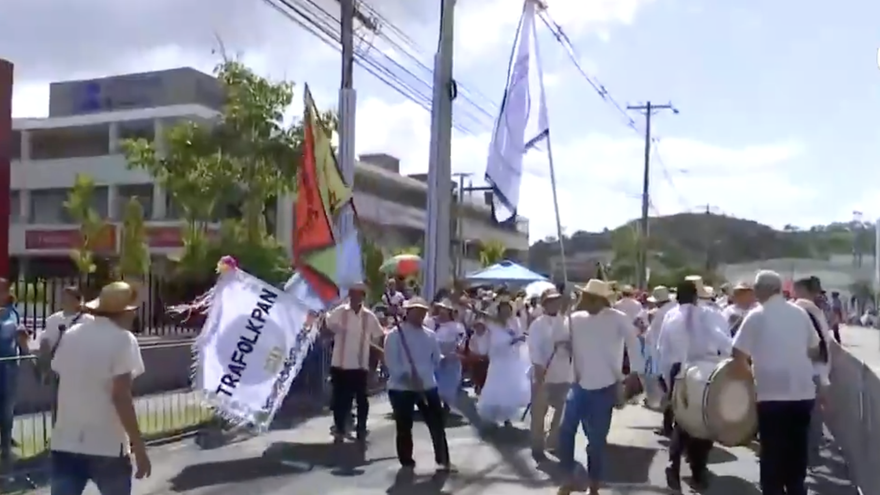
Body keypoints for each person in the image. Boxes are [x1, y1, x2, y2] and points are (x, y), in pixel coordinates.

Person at [49, 281, 149, 495]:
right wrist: (138, 446)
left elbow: (58, 371)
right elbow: (121, 395)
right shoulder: (123, 339)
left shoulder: (71, 334)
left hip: (66, 441)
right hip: (107, 445)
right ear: (125, 312)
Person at [732, 270, 821, 495]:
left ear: (763, 290)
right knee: (796, 455)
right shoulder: (800, 313)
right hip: (802, 394)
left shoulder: (756, 315)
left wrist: (751, 379)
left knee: (772, 456)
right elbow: (815, 347)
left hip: (771, 396)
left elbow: (738, 353)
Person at [558, 279, 644, 495]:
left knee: (596, 442)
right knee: (565, 432)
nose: (581, 300)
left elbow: (634, 344)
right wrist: (564, 313)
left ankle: (594, 486)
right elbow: (559, 339)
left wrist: (634, 373)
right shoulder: (574, 318)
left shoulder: (618, 319)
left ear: (597, 300)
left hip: (605, 387)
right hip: (578, 385)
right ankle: (568, 477)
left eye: (585, 297)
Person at [657, 279, 733, 491]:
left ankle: (674, 465)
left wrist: (667, 379)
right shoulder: (709, 314)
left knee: (681, 419)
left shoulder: (670, 316)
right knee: (705, 419)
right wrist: (730, 360)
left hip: (679, 371)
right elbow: (722, 339)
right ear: (696, 296)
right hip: (704, 369)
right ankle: (698, 469)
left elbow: (662, 349)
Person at [383, 297, 451, 471]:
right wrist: (405, 376)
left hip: (427, 385)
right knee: (404, 425)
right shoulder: (395, 335)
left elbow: (436, 359)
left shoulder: (430, 335)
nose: (420, 315)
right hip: (401, 388)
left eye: (423, 312)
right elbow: (391, 360)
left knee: (436, 423)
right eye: (416, 311)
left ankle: (442, 458)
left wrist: (430, 370)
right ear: (408, 312)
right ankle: (406, 459)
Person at [325, 282, 385, 442]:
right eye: (353, 294)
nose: (355, 297)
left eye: (359, 294)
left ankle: (361, 428)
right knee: (340, 398)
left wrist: (376, 357)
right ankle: (339, 427)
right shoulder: (340, 312)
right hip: (340, 362)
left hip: (360, 364)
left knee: (361, 399)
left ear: (363, 297)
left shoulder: (369, 316)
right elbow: (328, 323)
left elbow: (379, 334)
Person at [792, 277, 832, 469]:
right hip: (818, 370)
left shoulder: (801, 309)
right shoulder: (815, 311)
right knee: (813, 416)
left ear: (800, 289)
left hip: (807, 371)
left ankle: (806, 459)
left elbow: (815, 346)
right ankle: (811, 457)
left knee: (805, 417)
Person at [526, 288, 570, 459]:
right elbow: (534, 348)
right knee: (539, 412)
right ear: (544, 304)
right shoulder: (537, 324)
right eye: (550, 301)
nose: (554, 304)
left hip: (563, 372)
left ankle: (554, 441)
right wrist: (538, 369)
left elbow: (575, 345)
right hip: (543, 373)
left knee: (563, 410)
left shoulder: (567, 322)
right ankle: (537, 444)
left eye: (557, 300)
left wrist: (567, 345)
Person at [476, 294, 531, 426]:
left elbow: (519, 337)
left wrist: (519, 340)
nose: (506, 312)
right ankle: (495, 415)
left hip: (511, 360)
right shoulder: (491, 324)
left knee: (510, 388)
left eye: (508, 309)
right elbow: (490, 342)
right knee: (496, 386)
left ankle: (507, 417)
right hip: (498, 360)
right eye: (503, 309)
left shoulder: (515, 322)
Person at [0, 279, 26, 471]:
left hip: (9, 368)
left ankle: (6, 447)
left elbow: (20, 338)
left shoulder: (14, 312)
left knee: (7, 410)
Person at [431, 299, 466, 413]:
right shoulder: (433, 323)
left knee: (449, 381)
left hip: (451, 356)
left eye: (445, 310)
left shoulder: (457, 326)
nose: (442, 312)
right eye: (441, 309)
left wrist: (456, 351)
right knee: (435, 379)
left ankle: (446, 403)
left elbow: (461, 340)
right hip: (436, 354)